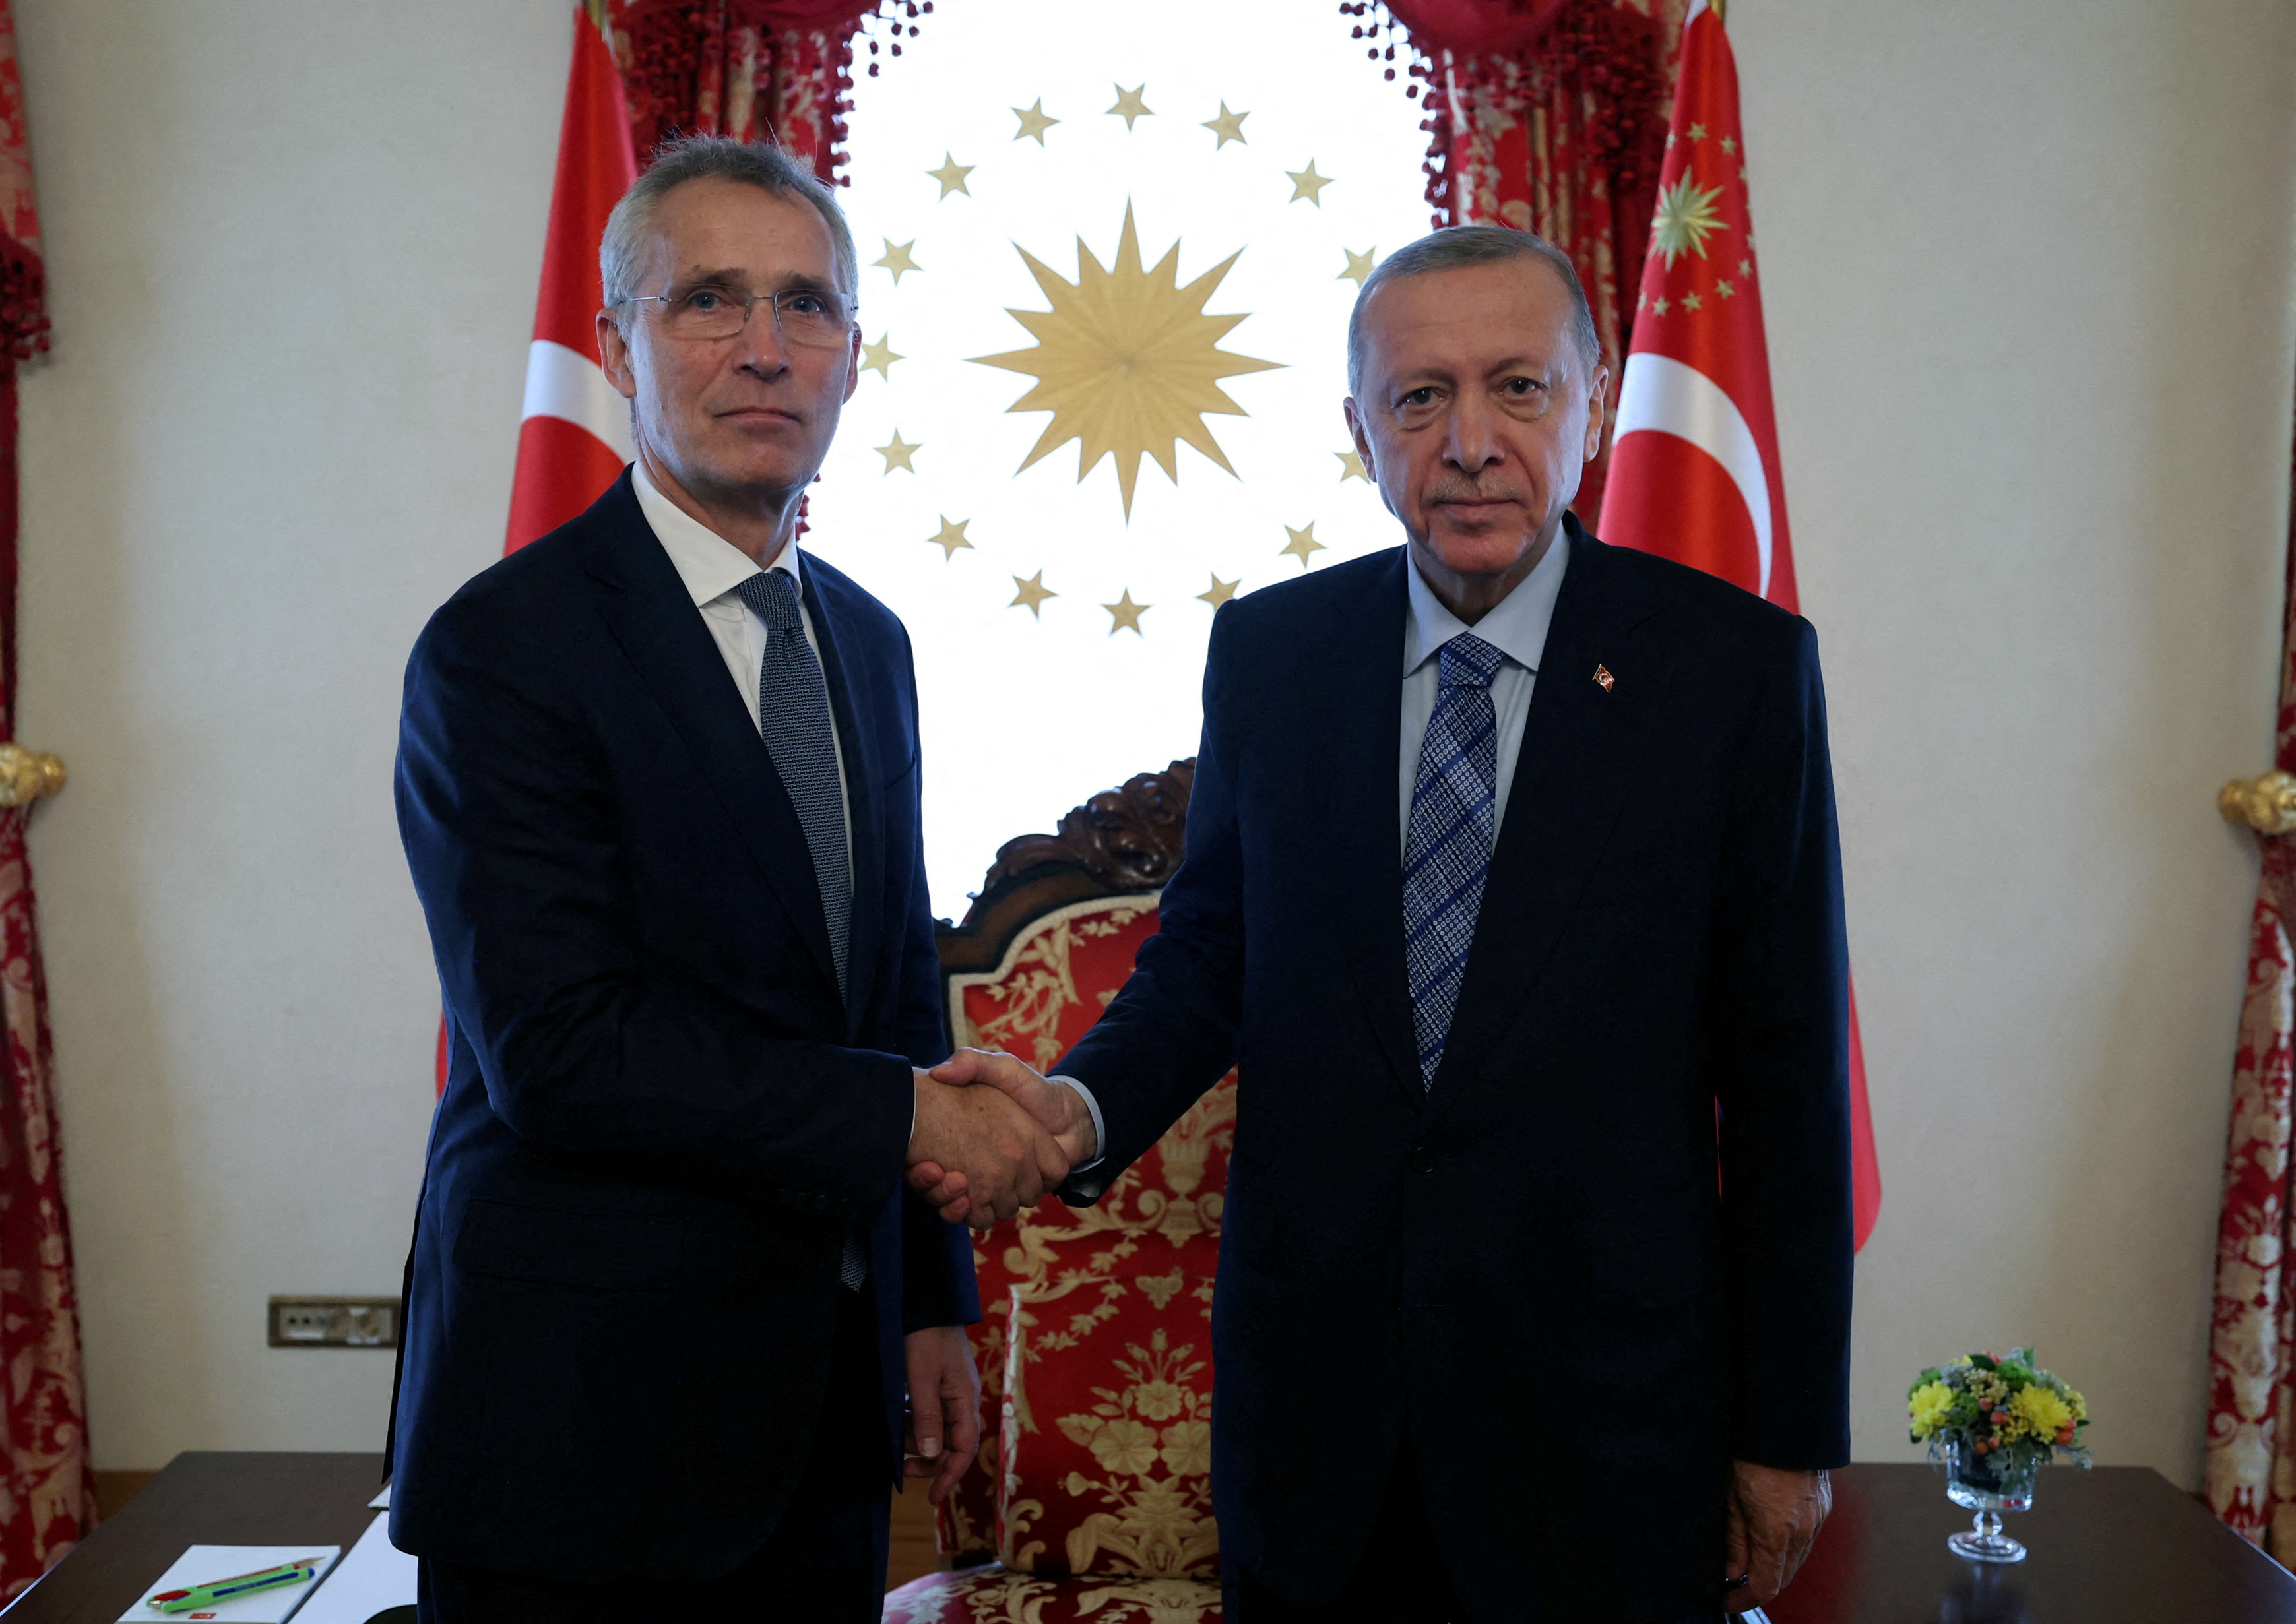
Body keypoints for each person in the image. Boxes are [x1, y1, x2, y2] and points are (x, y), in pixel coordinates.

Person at [914, 225, 1853, 1623]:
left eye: (1518, 388)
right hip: (1320, 1432)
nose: (1469, 442)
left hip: (1605, 1435)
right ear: (1360, 430)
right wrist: (1077, 1109)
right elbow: (1211, 954)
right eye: (1420, 397)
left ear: (1593, 406)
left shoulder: (1733, 671)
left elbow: (1786, 1077)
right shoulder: (1275, 655)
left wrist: (1785, 1430)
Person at [388, 135, 1071, 1622]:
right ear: (615, 345)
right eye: (708, 299)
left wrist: (929, 1293)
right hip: (578, 1430)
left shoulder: (868, 642)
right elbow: (563, 1051)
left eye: (805, 305)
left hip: (822, 1416)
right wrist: (912, 1117)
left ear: (851, 356)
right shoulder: (503, 649)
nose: (765, 348)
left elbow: (889, 988)